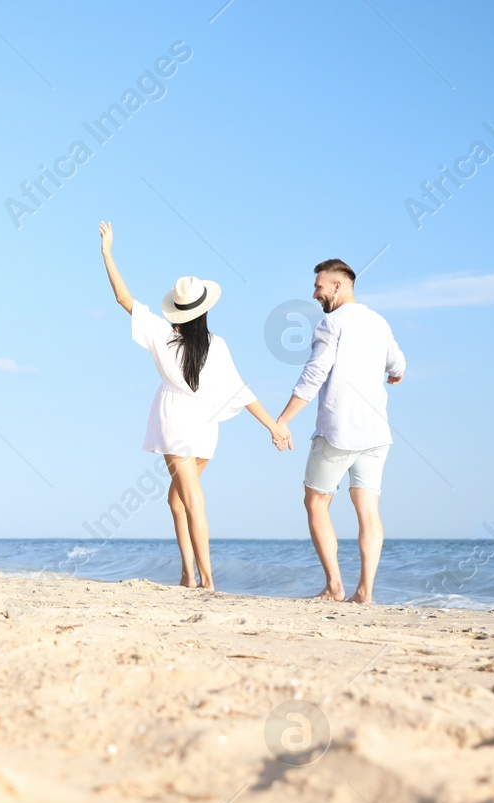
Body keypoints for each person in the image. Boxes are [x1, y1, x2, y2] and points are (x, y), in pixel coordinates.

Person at [98, 221, 291, 592]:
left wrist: (108, 253)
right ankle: (189, 573)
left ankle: (206, 580)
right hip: (205, 425)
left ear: (177, 312)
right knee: (176, 498)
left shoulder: (162, 335)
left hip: (176, 421)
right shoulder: (216, 344)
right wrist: (273, 426)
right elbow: (241, 390)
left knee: (191, 500)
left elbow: (124, 300)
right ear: (204, 310)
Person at [275, 258, 406, 604]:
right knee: (368, 510)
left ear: (337, 285)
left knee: (316, 501)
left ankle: (334, 586)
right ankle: (365, 591)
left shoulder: (330, 324)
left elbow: (313, 375)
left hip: (338, 431)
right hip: (376, 433)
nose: (314, 294)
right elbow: (398, 364)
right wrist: (394, 374)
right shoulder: (379, 321)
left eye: (318, 287)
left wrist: (283, 420)